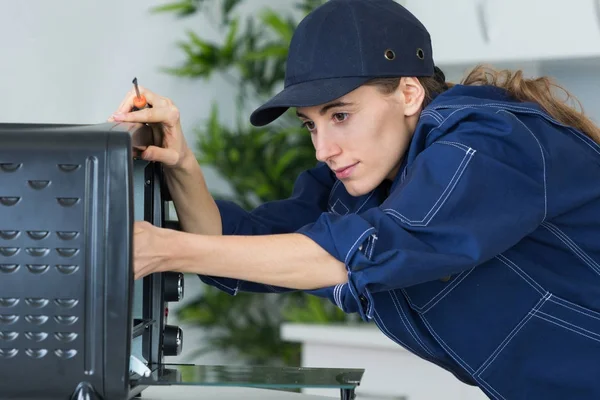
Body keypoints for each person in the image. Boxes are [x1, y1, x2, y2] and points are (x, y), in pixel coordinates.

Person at [109, 0, 600, 398]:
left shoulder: (488, 143)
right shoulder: (362, 185)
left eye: (340, 115)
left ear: (408, 93)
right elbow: (238, 247)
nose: (324, 149)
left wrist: (167, 248)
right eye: (310, 125)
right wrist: (181, 165)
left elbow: (366, 253)